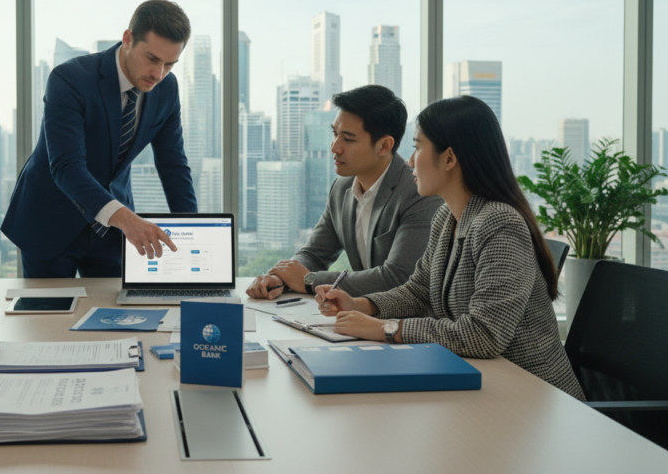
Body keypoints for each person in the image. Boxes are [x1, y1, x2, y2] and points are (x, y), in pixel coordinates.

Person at [315, 95, 585, 399]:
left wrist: (385, 329)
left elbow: (483, 336)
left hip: (534, 399)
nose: (410, 161)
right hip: (482, 385)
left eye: (417, 147)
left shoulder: (500, 225)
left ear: (449, 158)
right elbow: (418, 291)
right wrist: (360, 305)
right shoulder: (447, 217)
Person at [2, 0, 198, 278]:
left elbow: (173, 166)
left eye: (170, 64)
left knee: (117, 315)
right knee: (50, 318)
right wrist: (130, 221)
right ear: (128, 39)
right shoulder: (69, 79)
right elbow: (67, 167)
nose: (159, 74)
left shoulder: (166, 88)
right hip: (51, 221)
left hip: (113, 231)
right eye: (152, 59)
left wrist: (195, 233)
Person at [247, 85, 442, 300]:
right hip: (356, 316)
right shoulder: (342, 188)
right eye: (334, 133)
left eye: (347, 139)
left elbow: (398, 278)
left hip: (403, 325)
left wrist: (309, 280)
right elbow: (314, 254)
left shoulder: (418, 193)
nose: (334, 147)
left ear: (385, 145)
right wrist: (280, 278)